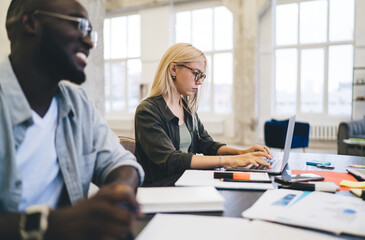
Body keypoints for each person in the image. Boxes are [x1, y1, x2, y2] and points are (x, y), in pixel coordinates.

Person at [0, 0, 144, 239]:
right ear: (30, 22)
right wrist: (55, 224)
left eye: (91, 32)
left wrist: (119, 192)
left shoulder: (78, 102)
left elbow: (121, 161)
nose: (88, 42)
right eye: (79, 25)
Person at [134, 43, 272, 187]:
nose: (199, 82)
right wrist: (230, 160)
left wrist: (242, 153)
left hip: (186, 182)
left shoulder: (186, 108)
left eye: (201, 76)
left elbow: (207, 145)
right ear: (173, 69)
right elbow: (170, 159)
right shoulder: (147, 111)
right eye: (195, 73)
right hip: (161, 189)